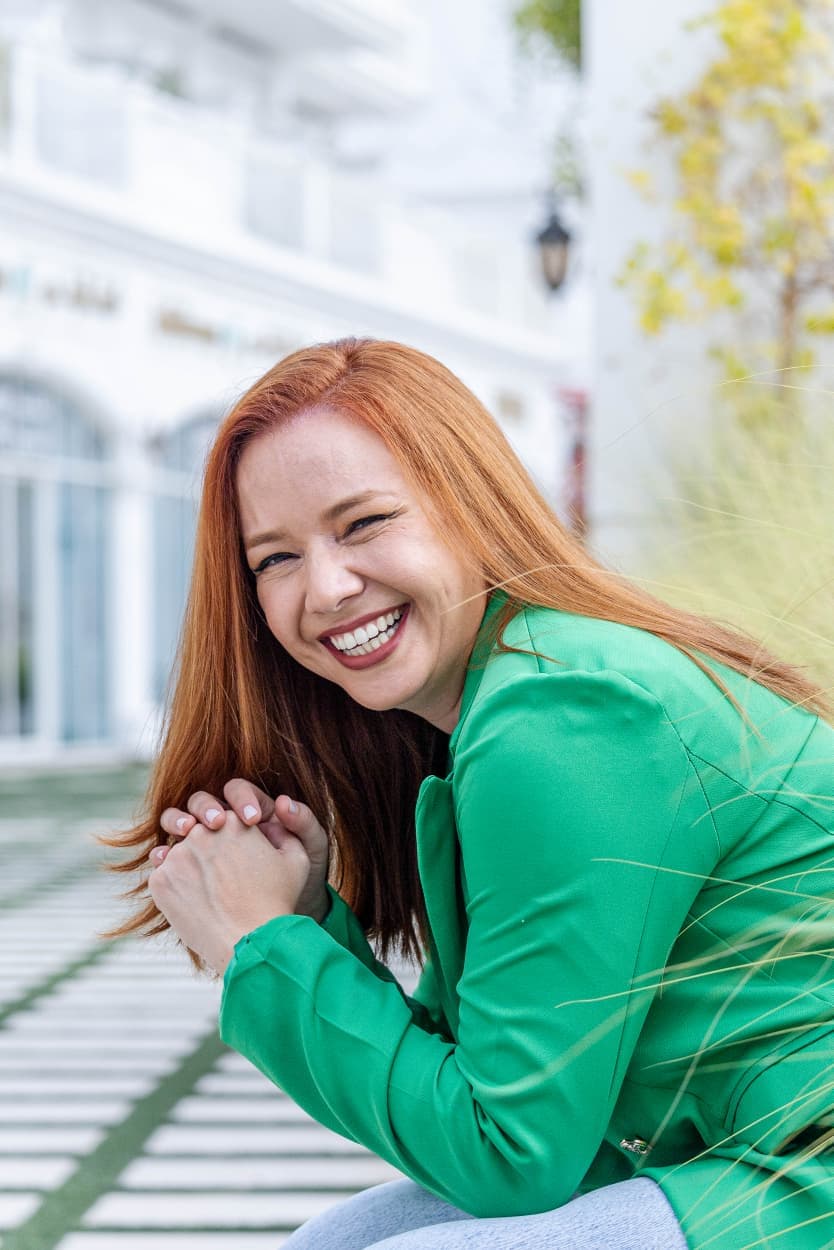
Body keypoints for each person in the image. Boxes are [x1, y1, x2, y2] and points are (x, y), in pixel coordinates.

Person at [111, 338, 834, 1250]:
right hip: (723, 1159)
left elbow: (510, 1157)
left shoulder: (562, 721)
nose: (327, 587)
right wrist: (306, 927)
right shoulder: (499, 704)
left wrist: (264, 946)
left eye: (365, 523)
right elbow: (487, 1098)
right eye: (275, 559)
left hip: (803, 1177)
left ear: (468, 504)